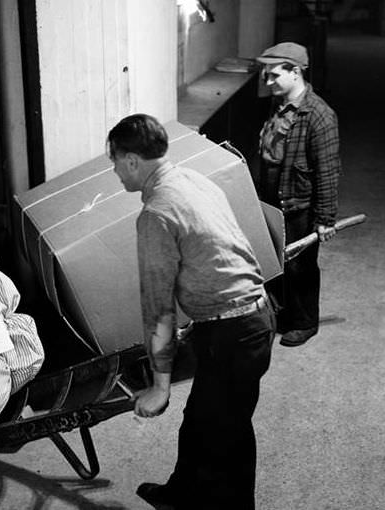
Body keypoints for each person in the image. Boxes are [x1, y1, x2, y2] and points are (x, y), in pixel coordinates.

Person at [107, 114, 276, 510]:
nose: (114, 171)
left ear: (132, 160)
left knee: (227, 434)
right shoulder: (194, 179)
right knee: (201, 419)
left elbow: (158, 309)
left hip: (233, 331)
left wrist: (159, 386)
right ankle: (181, 493)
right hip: (249, 318)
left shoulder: (156, 214)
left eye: (114, 160)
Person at [255, 42, 341, 347]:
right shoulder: (278, 103)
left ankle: (305, 323)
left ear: (295, 72)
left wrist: (325, 219)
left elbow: (328, 172)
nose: (268, 82)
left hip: (298, 202)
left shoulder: (320, 116)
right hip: (272, 196)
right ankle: (285, 313)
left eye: (274, 75)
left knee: (299, 266)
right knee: (277, 260)